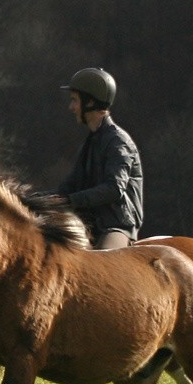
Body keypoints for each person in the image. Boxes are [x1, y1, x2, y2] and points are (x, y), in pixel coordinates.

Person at [53, 67, 143, 249]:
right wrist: (35, 201)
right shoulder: (90, 143)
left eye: (74, 101)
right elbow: (70, 186)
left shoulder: (118, 142)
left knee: (105, 265)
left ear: (90, 103)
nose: (71, 107)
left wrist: (71, 200)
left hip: (116, 227)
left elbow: (113, 188)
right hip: (91, 224)